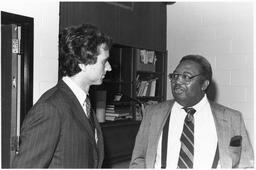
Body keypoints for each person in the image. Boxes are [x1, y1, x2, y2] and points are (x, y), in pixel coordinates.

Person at [12, 24, 112, 168]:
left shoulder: (83, 102)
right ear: (83, 64)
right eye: (104, 62)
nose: (109, 67)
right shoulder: (50, 109)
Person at [129, 55, 254, 169]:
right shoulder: (153, 113)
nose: (177, 81)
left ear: (204, 85)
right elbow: (138, 159)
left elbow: (245, 164)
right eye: (175, 75)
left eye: (186, 77)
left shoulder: (232, 118)